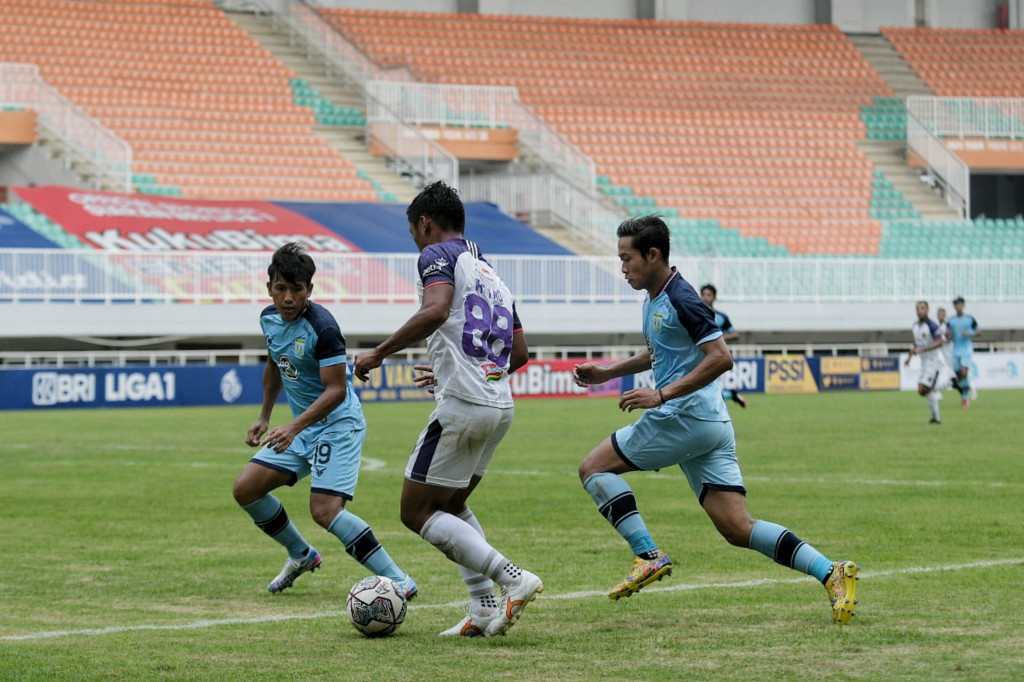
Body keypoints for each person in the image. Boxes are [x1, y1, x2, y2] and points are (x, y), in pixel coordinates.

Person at [572, 215, 859, 626]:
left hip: (683, 416)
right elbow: (659, 352)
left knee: (593, 468)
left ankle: (647, 554)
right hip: (710, 424)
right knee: (737, 527)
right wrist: (607, 373)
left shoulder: (682, 298)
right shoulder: (655, 297)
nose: (622, 268)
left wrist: (660, 395)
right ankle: (831, 571)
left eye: (626, 258)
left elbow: (722, 357)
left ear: (652, 255)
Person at [353, 181, 542, 638]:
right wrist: (459, 372)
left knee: (415, 511)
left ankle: (513, 577)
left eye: (413, 234)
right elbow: (519, 354)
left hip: (464, 406)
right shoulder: (491, 272)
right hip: (499, 405)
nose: (416, 244)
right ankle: (482, 607)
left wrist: (378, 353)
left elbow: (436, 310)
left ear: (424, 224)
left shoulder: (437, 254)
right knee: (452, 505)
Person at [232, 242, 417, 599]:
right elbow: (275, 364)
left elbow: (336, 391)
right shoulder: (268, 318)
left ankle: (399, 580)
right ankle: (301, 554)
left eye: (296, 290)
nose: (288, 298)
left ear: (310, 290)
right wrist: (265, 416)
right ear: (269, 287)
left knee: (325, 510)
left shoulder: (323, 328)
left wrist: (293, 426)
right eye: (280, 288)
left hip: (337, 425)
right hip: (302, 427)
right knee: (246, 488)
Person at [699, 283, 747, 409]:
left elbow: (735, 334)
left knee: (706, 388)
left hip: (713, 356)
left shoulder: (721, 317)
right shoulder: (694, 314)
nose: (705, 297)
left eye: (708, 295)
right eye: (703, 294)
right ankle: (730, 394)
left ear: (714, 298)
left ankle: (724, 401)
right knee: (703, 388)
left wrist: (719, 338)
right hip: (696, 355)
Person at [905, 300, 946, 424]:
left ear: (927, 310)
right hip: (924, 362)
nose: (920, 311)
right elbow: (916, 343)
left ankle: (946, 384)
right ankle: (936, 418)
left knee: (924, 389)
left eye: (922, 308)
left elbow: (940, 342)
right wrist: (909, 357)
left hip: (934, 361)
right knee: (923, 390)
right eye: (918, 309)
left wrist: (922, 349)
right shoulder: (915, 326)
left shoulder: (932, 326)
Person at [946, 296, 980, 408]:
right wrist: (948, 335)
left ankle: (964, 398)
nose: (958, 306)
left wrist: (970, 333)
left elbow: (979, 330)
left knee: (964, 372)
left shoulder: (970, 319)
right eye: (956, 305)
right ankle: (968, 388)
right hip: (955, 349)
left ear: (963, 305)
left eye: (960, 304)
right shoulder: (951, 320)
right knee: (959, 375)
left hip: (966, 349)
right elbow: (948, 333)